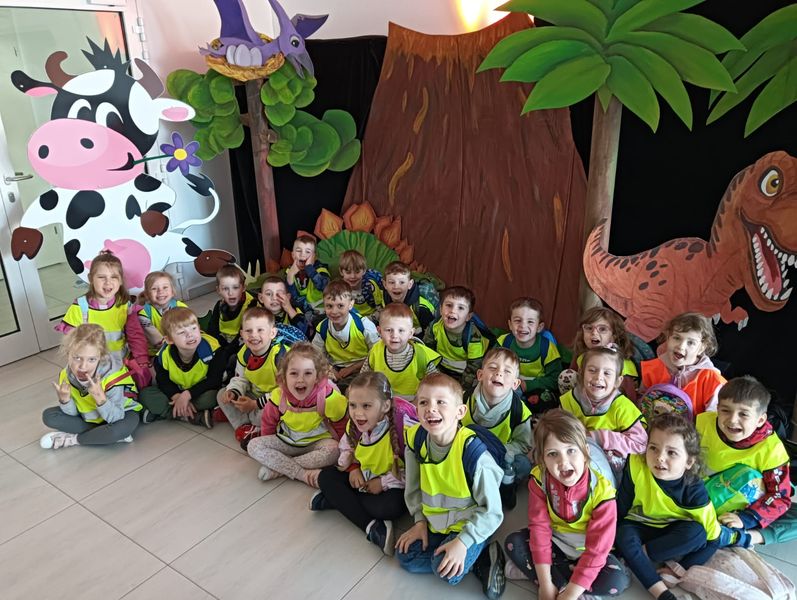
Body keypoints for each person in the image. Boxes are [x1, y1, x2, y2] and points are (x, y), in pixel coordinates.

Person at [396, 373, 506, 599]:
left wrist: (463, 542)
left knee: (445, 571)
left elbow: (493, 511)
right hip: (436, 524)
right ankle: (471, 559)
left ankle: (484, 551)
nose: (431, 409)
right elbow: (413, 488)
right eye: (423, 402)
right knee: (405, 556)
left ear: (460, 412)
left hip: (468, 525)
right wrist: (419, 522)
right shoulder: (416, 439)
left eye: (441, 402)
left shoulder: (473, 453)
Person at [504, 410, 629, 600]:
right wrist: (545, 584)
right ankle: (562, 583)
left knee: (616, 581)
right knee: (513, 543)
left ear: (585, 453)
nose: (563, 462)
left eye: (571, 450)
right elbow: (539, 529)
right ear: (542, 459)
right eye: (553, 454)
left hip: (585, 550)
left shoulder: (603, 492)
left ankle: (559, 582)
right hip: (555, 543)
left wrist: (571, 593)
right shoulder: (539, 480)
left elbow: (597, 550)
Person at [616, 413, 721, 600]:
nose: (660, 458)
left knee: (697, 533)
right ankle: (662, 594)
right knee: (622, 533)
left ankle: (637, 557)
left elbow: (713, 540)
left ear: (689, 461)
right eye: (653, 448)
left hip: (671, 532)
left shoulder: (694, 490)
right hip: (640, 525)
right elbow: (620, 511)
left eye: (671, 452)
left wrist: (680, 569)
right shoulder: (636, 465)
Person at [312, 372, 417, 555]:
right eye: (353, 405)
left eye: (367, 406)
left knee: (388, 508)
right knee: (325, 477)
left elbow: (416, 474)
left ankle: (339, 500)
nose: (358, 413)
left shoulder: (405, 429)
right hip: (364, 478)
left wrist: (383, 483)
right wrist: (353, 469)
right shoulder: (354, 425)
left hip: (395, 485)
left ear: (385, 406)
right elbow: (347, 449)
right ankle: (371, 526)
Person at [697, 376, 791, 548]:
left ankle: (742, 536)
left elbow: (780, 496)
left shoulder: (772, 450)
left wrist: (745, 519)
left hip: (733, 511)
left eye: (743, 414)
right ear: (717, 409)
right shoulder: (702, 422)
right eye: (725, 411)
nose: (732, 420)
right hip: (696, 493)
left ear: (760, 420)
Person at [247, 342, 347, 487]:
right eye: (294, 373)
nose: (300, 379)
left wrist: (346, 453)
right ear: (284, 376)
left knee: (335, 450)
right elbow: (268, 422)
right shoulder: (278, 395)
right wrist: (270, 446)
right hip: (286, 440)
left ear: (317, 377)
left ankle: (279, 468)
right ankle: (302, 474)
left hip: (317, 443)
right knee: (253, 445)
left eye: (308, 373)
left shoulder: (330, 398)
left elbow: (342, 426)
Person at [57, 251, 150, 389]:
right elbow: (70, 345)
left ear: (120, 280)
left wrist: (142, 359)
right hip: (91, 366)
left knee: (134, 387)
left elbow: (135, 336)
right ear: (91, 278)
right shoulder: (80, 307)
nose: (108, 282)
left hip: (120, 362)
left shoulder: (124, 306)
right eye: (101, 277)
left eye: (114, 277)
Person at [40, 323, 141, 449]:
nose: (83, 366)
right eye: (77, 358)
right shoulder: (66, 375)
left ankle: (75, 439)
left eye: (91, 359)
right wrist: (65, 401)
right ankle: (98, 434)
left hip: (121, 414)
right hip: (89, 417)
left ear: (101, 357)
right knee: (49, 416)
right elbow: (73, 414)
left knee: (119, 429)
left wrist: (101, 399)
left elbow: (117, 417)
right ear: (68, 354)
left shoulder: (112, 377)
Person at [559, 346, 647, 477]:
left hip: (611, 468)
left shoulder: (622, 407)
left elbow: (640, 444)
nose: (598, 377)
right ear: (582, 373)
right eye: (592, 370)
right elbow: (559, 432)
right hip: (575, 458)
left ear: (617, 381)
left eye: (607, 373)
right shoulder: (569, 400)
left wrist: (600, 437)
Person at [462, 347, 532, 508]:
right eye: (493, 368)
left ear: (515, 384)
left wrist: (500, 452)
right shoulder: (463, 399)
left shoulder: (519, 412)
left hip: (499, 456)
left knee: (523, 465)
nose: (499, 373)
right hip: (469, 452)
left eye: (507, 371)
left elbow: (523, 444)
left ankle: (500, 485)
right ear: (480, 375)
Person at [138, 307, 224, 428]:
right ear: (169, 339)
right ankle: (192, 416)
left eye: (194, 329)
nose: (190, 335)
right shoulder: (162, 357)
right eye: (182, 332)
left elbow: (214, 380)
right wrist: (177, 396)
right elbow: (163, 382)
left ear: (199, 329)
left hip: (200, 391)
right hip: (176, 391)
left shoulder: (213, 348)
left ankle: (169, 412)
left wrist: (187, 395)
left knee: (214, 396)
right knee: (145, 394)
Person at [216, 307, 288, 449]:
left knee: (264, 414)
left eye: (260, 330)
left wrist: (255, 404)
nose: (254, 335)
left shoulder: (281, 356)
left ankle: (249, 421)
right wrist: (233, 392)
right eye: (248, 331)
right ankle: (244, 427)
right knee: (221, 394)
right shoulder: (244, 353)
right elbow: (241, 378)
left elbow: (286, 391)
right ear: (242, 334)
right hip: (254, 394)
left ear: (272, 333)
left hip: (276, 399)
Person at [640, 312, 726, 417]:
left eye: (691, 343)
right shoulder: (652, 369)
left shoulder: (712, 380)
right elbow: (641, 404)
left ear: (702, 348)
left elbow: (712, 418)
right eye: (676, 338)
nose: (681, 346)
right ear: (668, 337)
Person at [362, 303, 440, 400]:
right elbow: (364, 376)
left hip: (412, 402)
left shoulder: (421, 354)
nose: (394, 335)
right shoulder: (375, 351)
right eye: (389, 330)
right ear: (379, 331)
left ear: (411, 333)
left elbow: (435, 382)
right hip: (383, 399)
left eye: (401, 330)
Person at [311, 280, 379, 391]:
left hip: (362, 368)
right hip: (335, 370)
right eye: (329, 306)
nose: (334, 311)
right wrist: (329, 369)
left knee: (352, 390)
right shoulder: (322, 327)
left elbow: (377, 353)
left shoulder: (364, 325)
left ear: (351, 304)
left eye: (340, 306)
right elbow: (315, 353)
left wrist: (352, 368)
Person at [497, 297, 562, 412]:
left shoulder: (547, 348)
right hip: (508, 383)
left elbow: (554, 379)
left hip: (536, 387)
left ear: (539, 327)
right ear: (510, 324)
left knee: (547, 400)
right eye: (518, 320)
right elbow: (491, 364)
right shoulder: (503, 342)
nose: (523, 326)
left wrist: (527, 385)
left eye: (530, 322)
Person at [560, 306, 639, 400]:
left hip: (612, 404)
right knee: (567, 375)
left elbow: (630, 398)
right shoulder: (581, 355)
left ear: (613, 336)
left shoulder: (621, 364)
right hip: (584, 399)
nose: (594, 333)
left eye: (602, 329)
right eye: (589, 328)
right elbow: (572, 375)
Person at [423, 286, 490, 391]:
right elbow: (427, 351)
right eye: (449, 305)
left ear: (468, 316)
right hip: (441, 369)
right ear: (440, 309)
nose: (453, 311)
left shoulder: (473, 336)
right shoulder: (435, 326)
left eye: (461, 308)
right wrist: (433, 375)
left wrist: (461, 390)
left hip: (463, 374)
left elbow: (473, 368)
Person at [206, 264, 258, 351]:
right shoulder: (219, 305)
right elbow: (212, 331)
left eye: (235, 287)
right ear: (218, 290)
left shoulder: (251, 305)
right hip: (224, 343)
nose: (230, 293)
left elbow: (246, 335)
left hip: (243, 344)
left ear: (243, 288)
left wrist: (226, 352)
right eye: (225, 289)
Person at [377, 261, 436, 336]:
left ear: (409, 284)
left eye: (402, 282)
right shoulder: (383, 298)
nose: (396, 286)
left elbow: (430, 333)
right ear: (385, 284)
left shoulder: (421, 308)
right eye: (392, 282)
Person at [137, 271, 187, 358]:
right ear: (147, 294)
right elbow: (157, 341)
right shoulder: (144, 313)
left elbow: (189, 328)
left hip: (181, 345)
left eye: (165, 287)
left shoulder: (181, 307)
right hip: (156, 352)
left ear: (172, 291)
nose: (160, 291)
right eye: (154, 288)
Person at [286, 234, 330, 319]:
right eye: (299, 251)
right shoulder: (289, 272)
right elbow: (292, 299)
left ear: (314, 256)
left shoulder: (321, 269)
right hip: (303, 313)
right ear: (293, 255)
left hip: (322, 311)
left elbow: (325, 287)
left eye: (308, 252)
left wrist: (309, 268)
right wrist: (290, 276)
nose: (302, 255)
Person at [338, 249, 383, 317]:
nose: (353, 276)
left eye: (357, 272)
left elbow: (380, 308)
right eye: (348, 272)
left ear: (364, 270)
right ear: (341, 272)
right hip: (350, 318)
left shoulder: (370, 286)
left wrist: (370, 319)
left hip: (372, 317)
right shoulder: (339, 289)